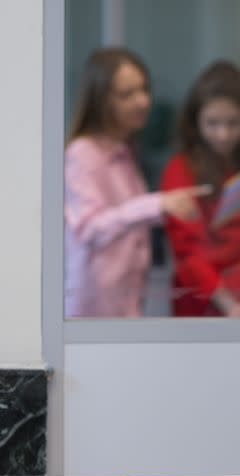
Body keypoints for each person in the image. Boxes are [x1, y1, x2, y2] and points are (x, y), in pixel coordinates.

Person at [65, 48, 205, 318]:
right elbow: (91, 227)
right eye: (126, 94)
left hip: (126, 300)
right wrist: (157, 204)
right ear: (101, 100)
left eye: (144, 90)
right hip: (93, 309)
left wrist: (170, 207)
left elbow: (129, 218)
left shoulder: (125, 149)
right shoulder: (82, 153)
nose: (142, 101)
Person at [161, 61, 240, 317]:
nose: (223, 134)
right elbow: (188, 255)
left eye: (233, 123)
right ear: (196, 123)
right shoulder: (180, 170)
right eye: (212, 123)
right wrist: (227, 302)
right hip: (204, 305)